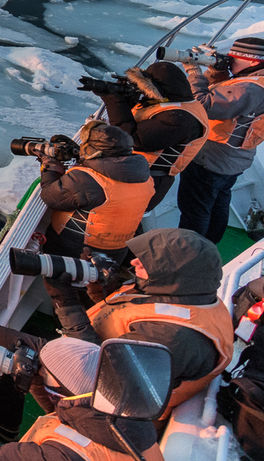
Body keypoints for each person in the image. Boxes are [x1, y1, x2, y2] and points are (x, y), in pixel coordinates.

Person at [82, 227, 233, 415]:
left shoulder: (173, 337)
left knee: (34, 353)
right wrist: (102, 285)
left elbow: (108, 378)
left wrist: (66, 305)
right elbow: (131, 309)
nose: (134, 261)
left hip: (120, 409)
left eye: (148, 263)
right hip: (110, 363)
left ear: (173, 273)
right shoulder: (188, 294)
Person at [0, 334, 159, 459]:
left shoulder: (61, 453)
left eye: (46, 372)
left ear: (62, 393)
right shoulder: (131, 412)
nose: (41, 371)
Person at [36, 121, 154, 333]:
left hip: (77, 248)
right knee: (94, 292)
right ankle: (101, 324)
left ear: (95, 151)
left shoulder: (86, 180)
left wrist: (50, 168)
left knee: (65, 292)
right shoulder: (143, 175)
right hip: (116, 249)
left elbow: (51, 196)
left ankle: (71, 334)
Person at [86, 62, 208, 212]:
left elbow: (131, 139)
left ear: (157, 89)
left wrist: (114, 100)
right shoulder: (177, 103)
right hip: (137, 174)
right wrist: (129, 100)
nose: (143, 93)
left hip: (147, 181)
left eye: (144, 88)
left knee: (122, 218)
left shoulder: (179, 119)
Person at [177, 36, 264, 242]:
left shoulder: (251, 88)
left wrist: (193, 70)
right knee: (218, 202)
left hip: (213, 160)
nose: (230, 61)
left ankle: (189, 252)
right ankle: (210, 242)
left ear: (252, 61)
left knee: (195, 210)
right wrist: (218, 72)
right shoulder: (256, 82)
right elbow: (229, 97)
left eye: (234, 57)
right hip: (234, 160)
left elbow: (203, 104)